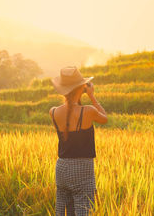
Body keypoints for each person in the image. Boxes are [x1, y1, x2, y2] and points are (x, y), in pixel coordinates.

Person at [49, 66, 108, 216]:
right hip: (82, 169)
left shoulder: (53, 111)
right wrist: (92, 96)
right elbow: (104, 118)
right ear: (81, 87)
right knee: (84, 210)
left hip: (61, 168)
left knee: (64, 211)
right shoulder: (88, 111)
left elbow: (71, 111)